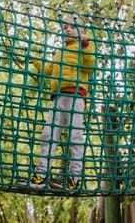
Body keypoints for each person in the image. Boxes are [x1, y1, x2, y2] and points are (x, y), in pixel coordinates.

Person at [30, 15, 96, 190]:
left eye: (72, 27)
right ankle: (41, 175)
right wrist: (36, 62)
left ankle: (74, 178)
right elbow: (49, 70)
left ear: (82, 31)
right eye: (65, 27)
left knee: (75, 137)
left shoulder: (85, 47)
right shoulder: (60, 52)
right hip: (57, 96)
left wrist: (86, 43)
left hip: (75, 96)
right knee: (48, 135)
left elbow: (89, 66)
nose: (67, 29)